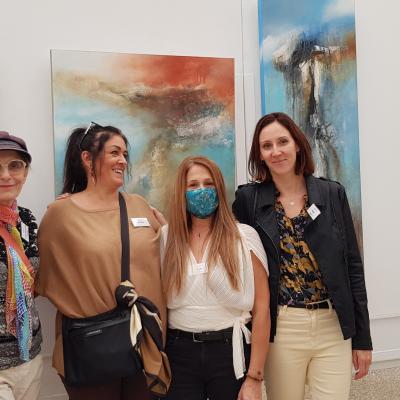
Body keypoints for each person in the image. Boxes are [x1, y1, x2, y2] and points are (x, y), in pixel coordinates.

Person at [232, 112, 372, 400]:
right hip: (282, 327)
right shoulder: (249, 200)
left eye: (282, 142)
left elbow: (353, 268)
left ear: (297, 144)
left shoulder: (332, 193)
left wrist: (363, 338)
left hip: (332, 325)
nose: (276, 151)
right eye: (267, 146)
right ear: (260, 155)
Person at [36, 122, 169, 400]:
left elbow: (165, 257)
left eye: (125, 154)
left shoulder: (139, 205)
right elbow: (41, 279)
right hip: (93, 347)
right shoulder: (61, 214)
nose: (123, 161)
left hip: (145, 345)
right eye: (114, 153)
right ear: (87, 158)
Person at [161, 155, 270, 400]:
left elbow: (262, 309)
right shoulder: (166, 239)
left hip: (229, 353)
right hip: (179, 356)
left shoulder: (244, 238)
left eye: (208, 184)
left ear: (219, 189)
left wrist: (254, 378)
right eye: (193, 185)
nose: (202, 190)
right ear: (181, 192)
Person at [0, 132, 43, 400]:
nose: (6, 175)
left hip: (29, 353)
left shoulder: (26, 219)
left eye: (15, 165)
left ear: (25, 172)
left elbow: (33, 280)